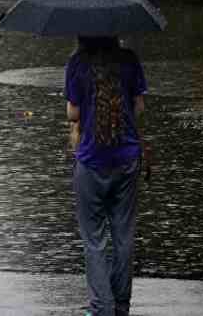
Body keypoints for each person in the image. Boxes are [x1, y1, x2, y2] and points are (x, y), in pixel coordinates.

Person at [65, 35, 147, 316]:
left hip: (91, 162)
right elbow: (138, 108)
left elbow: (73, 113)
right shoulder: (129, 60)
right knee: (123, 235)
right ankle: (121, 305)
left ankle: (102, 307)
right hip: (127, 160)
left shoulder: (77, 64)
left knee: (94, 240)